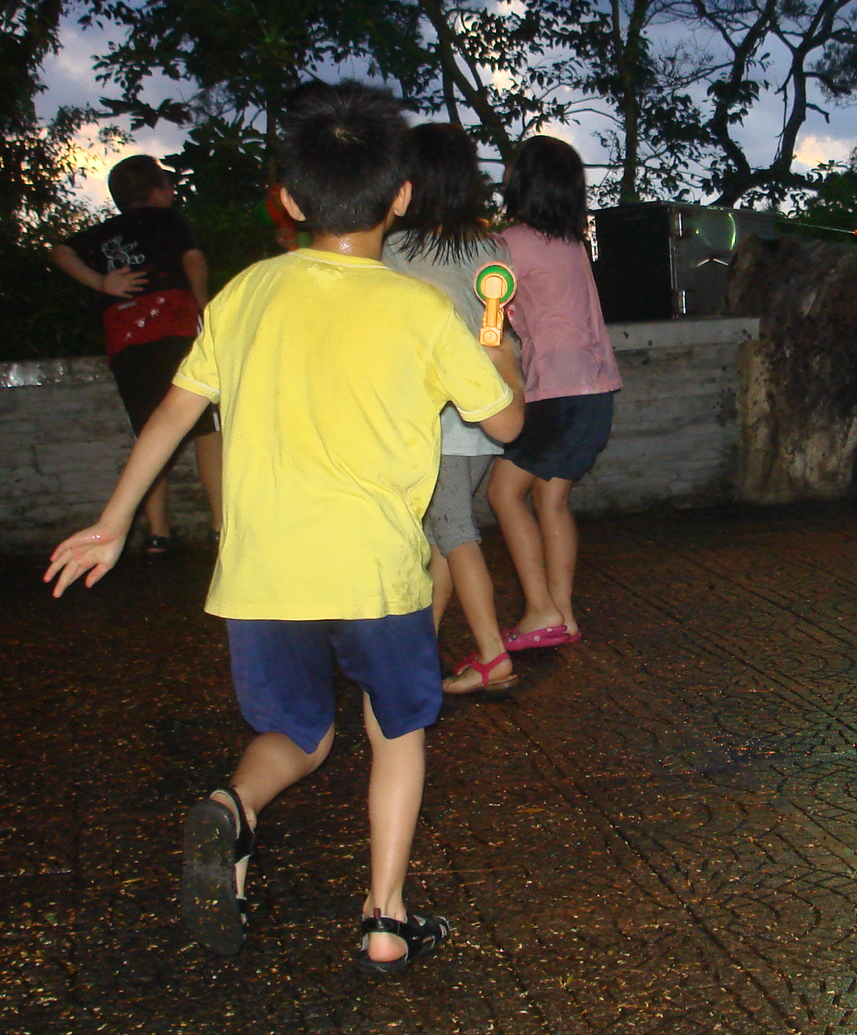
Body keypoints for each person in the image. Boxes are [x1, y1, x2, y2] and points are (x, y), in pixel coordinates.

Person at [45, 82, 526, 974]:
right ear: (401, 197)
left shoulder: (244, 295)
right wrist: (501, 352)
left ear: (292, 202)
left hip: (262, 572)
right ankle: (385, 921)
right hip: (375, 572)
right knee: (395, 731)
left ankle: (233, 807)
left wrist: (112, 523)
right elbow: (506, 423)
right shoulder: (421, 310)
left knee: (300, 736)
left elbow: (174, 413)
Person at [382, 124, 519, 696]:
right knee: (446, 536)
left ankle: (492, 655)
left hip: (436, 414)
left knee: (455, 532)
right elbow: (496, 329)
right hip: (490, 408)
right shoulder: (493, 248)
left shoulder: (395, 252)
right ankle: (421, 648)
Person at [48, 155, 223, 551]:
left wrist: (101, 283)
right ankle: (220, 525)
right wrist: (205, 310)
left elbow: (59, 252)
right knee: (207, 426)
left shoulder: (103, 232)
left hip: (125, 334)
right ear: (158, 192)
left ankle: (158, 533)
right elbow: (193, 260)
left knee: (149, 429)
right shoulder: (169, 219)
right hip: (174, 325)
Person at [488, 135, 621, 651]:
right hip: (596, 387)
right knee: (552, 500)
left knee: (504, 493)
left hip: (558, 391)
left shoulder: (511, 243)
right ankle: (562, 615)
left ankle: (541, 612)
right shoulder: (571, 242)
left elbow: (488, 315)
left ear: (524, 180)